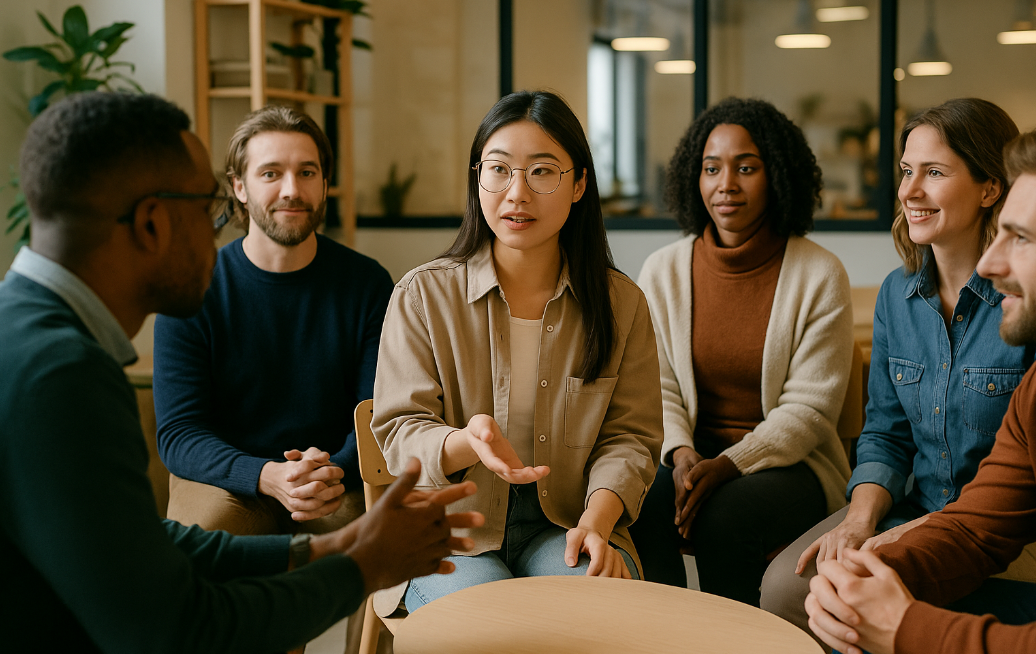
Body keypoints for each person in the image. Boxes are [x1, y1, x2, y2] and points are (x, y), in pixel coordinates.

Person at [0, 91, 481, 653]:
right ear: (155, 223)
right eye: (208, 211)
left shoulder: (26, 340)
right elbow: (178, 630)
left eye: (308, 172)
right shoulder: (65, 378)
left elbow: (142, 545)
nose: (217, 232)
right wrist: (360, 567)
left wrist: (323, 550)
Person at [369, 90, 664, 614]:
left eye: (542, 172)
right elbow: (398, 430)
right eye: (499, 170)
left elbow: (631, 438)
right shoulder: (422, 295)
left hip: (569, 520)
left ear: (579, 185)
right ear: (477, 178)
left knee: (594, 607)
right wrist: (466, 442)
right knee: (489, 620)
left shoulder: (622, 304)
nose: (517, 194)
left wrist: (597, 524)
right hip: (449, 524)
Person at [761, 98, 1036, 641]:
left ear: (990, 189)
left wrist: (899, 545)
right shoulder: (896, 294)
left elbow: (999, 504)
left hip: (1004, 526)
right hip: (917, 505)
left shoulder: (1022, 307)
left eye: (934, 172)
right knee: (787, 588)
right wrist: (861, 523)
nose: (910, 191)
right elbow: (884, 434)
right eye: (907, 171)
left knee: (833, 591)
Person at [629, 97, 854, 606]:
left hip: (792, 466)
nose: (725, 184)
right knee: (642, 497)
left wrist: (729, 463)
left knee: (727, 512)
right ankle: (665, 637)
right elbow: (653, 386)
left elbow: (810, 411)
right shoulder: (663, 271)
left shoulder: (819, 273)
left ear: (777, 174)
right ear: (695, 176)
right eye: (711, 168)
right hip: (687, 454)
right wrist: (683, 454)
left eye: (745, 168)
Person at [153, 105, 393, 537]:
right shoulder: (191, 287)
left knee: (375, 556)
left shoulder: (368, 284)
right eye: (270, 173)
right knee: (201, 553)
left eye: (306, 172)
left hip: (335, 480)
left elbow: (377, 415)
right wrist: (266, 475)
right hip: (226, 478)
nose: (291, 190)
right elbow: (179, 433)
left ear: (324, 183)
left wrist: (327, 473)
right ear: (238, 186)